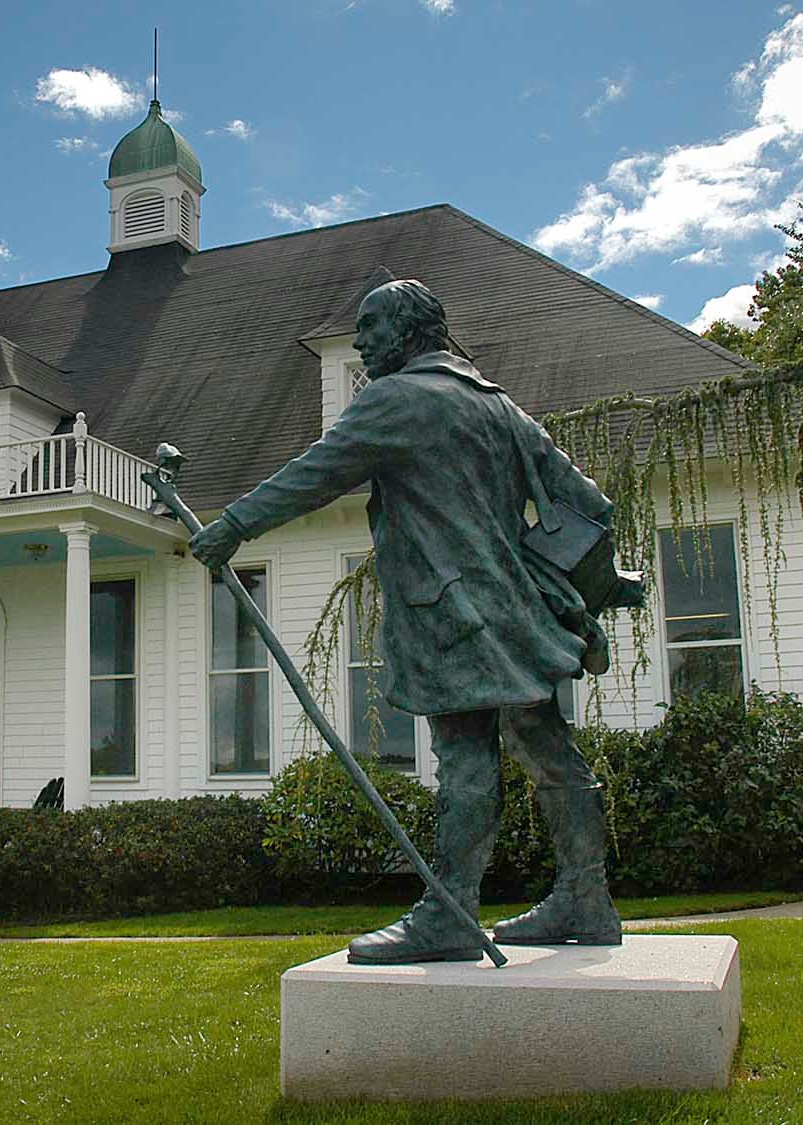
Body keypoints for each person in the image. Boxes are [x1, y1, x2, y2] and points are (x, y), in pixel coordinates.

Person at [189, 279, 622, 963]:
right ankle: (586, 896)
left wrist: (232, 527)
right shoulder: (498, 404)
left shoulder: (394, 400)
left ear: (407, 332)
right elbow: (591, 501)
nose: (360, 342)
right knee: (547, 746)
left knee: (466, 758)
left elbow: (315, 473)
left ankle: (452, 912)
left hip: (451, 613)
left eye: (370, 327)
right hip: (519, 610)